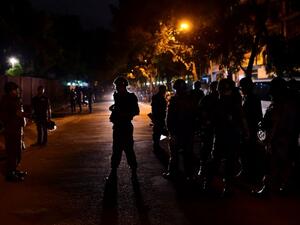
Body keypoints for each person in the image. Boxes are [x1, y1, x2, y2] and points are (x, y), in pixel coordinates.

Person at [107, 76, 140, 180]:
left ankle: (133, 169)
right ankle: (114, 170)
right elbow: (117, 106)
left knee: (128, 148)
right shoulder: (117, 96)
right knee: (116, 149)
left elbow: (136, 111)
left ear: (123, 86)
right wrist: (113, 108)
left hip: (125, 125)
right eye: (116, 86)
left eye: (118, 86)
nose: (116, 88)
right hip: (117, 125)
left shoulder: (131, 97)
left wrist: (123, 114)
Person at [163, 79, 196, 180]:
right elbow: (195, 115)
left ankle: (173, 173)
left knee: (174, 154)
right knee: (188, 154)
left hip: (177, 132)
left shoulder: (173, 100)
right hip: (188, 131)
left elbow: (169, 119)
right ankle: (189, 174)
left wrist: (170, 132)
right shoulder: (191, 99)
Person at [0, 82, 27, 181]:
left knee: (17, 151)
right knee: (12, 152)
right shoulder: (6, 101)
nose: (18, 91)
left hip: (17, 128)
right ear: (10, 91)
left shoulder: (16, 100)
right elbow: (3, 116)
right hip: (11, 130)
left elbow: (19, 112)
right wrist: (15, 114)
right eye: (15, 90)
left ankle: (14, 170)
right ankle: (10, 174)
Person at [239, 77, 263, 183]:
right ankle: (247, 173)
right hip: (249, 130)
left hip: (250, 130)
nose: (241, 89)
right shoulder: (249, 98)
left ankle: (249, 174)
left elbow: (253, 117)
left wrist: (248, 131)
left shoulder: (251, 99)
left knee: (249, 154)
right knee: (248, 153)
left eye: (242, 87)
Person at [151, 85, 167, 152]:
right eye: (164, 90)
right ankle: (156, 145)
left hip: (159, 117)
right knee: (157, 132)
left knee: (158, 132)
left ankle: (156, 144)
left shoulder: (158, 97)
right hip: (158, 117)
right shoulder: (158, 97)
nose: (165, 91)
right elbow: (155, 108)